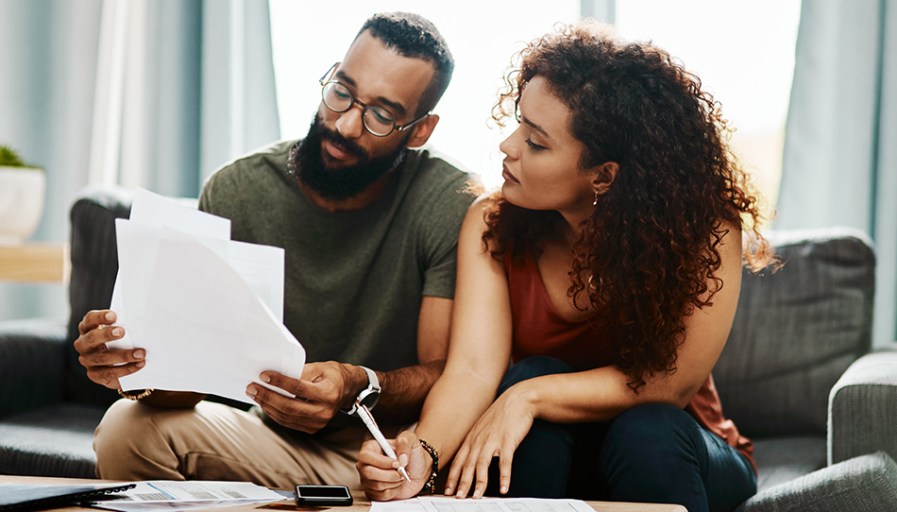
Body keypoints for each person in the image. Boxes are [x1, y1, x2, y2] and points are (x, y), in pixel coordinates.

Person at [357, 21, 774, 512]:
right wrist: (420, 454)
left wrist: (529, 396)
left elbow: (670, 384)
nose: (507, 146)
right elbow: (472, 370)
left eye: (536, 142)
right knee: (529, 379)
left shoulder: (707, 230)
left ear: (603, 175)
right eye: (518, 124)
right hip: (554, 459)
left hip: (675, 452)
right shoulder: (490, 223)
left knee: (644, 429)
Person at [73, 12, 479, 490]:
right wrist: (135, 367)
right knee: (127, 427)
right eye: (342, 91)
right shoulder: (238, 190)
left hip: (387, 452)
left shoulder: (448, 202)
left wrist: (356, 385)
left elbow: (445, 372)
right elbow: (185, 388)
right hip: (269, 440)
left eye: (382, 115)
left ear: (419, 130)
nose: (346, 124)